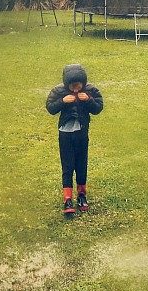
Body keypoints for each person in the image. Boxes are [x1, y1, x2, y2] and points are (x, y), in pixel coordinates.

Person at [45, 64, 104, 215]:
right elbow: (50, 108)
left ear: (83, 83)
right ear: (67, 84)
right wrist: (63, 101)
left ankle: (82, 195)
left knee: (81, 164)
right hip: (65, 135)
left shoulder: (90, 90)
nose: (76, 89)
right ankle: (67, 199)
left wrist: (89, 100)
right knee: (68, 165)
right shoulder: (59, 91)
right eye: (72, 86)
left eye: (79, 86)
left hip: (82, 134)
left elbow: (98, 108)